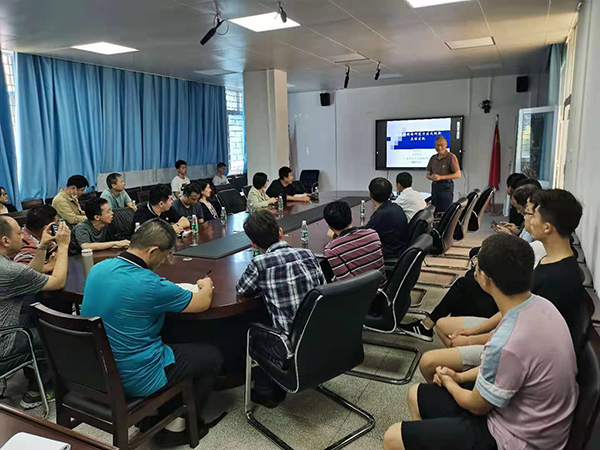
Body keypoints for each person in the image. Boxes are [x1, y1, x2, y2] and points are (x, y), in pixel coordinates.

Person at [384, 234, 578, 450]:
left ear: (485, 279)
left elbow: (477, 405)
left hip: (517, 438)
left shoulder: (508, 342)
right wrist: (459, 376)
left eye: (476, 264)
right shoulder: (540, 305)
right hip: (529, 418)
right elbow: (502, 370)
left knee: (393, 437)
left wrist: (450, 383)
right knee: (415, 394)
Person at [417, 189, 586, 383]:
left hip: (518, 348)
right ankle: (478, 375)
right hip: (509, 328)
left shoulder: (557, 280)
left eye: (533, 215)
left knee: (428, 362)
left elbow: (522, 336)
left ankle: (479, 380)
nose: (528, 219)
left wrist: (473, 339)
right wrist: (476, 331)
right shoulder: (550, 260)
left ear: (547, 227)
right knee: (442, 325)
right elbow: (516, 308)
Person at [81, 219, 223, 446]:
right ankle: (179, 427)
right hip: (133, 376)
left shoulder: (98, 269)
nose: (165, 261)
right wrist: (205, 284)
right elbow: (202, 302)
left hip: (94, 368)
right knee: (212, 356)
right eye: (165, 255)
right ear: (153, 251)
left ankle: (160, 411)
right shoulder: (150, 284)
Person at [236, 210, 325, 407]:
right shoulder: (308, 254)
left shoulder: (260, 263)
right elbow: (323, 288)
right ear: (280, 232)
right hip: (319, 334)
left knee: (251, 333)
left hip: (288, 345)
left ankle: (266, 392)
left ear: (254, 245)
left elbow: (242, 289)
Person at [0, 216, 71, 409]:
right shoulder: (8, 269)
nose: (23, 237)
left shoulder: (8, 268)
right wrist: (63, 246)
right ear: (5, 240)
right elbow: (58, 282)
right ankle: (38, 391)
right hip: (4, 342)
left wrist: (42, 246)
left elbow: (28, 275)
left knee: (36, 311)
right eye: (18, 233)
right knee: (53, 333)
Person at [323, 200, 384, 282]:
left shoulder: (331, 250)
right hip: (382, 286)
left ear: (330, 227)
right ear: (352, 217)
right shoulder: (372, 234)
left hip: (360, 289)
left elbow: (346, 283)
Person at [365, 177, 408, 259]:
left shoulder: (381, 215)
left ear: (370, 195)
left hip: (389, 254)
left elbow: (363, 236)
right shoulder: (396, 207)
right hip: (400, 250)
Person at [13, 205, 59, 273]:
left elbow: (54, 250)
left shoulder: (38, 235)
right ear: (47, 228)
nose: (59, 226)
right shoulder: (27, 245)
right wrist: (48, 266)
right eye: (57, 223)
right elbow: (24, 272)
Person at [426, 136, 461, 214]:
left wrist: (441, 177)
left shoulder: (451, 157)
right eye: (437, 145)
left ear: (446, 145)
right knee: (434, 210)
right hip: (435, 186)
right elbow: (428, 173)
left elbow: (458, 174)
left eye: (441, 145)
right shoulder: (433, 158)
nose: (439, 147)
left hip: (446, 187)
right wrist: (431, 177)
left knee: (445, 211)